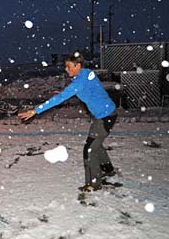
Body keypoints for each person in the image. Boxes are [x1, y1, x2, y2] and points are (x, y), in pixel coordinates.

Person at [18, 52, 118, 192]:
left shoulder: (79, 82)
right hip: (105, 114)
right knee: (95, 143)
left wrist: (35, 111)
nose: (66, 69)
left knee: (89, 149)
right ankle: (108, 169)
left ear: (78, 65)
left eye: (69, 66)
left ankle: (94, 184)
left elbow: (59, 98)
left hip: (105, 116)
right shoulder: (85, 73)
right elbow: (90, 91)